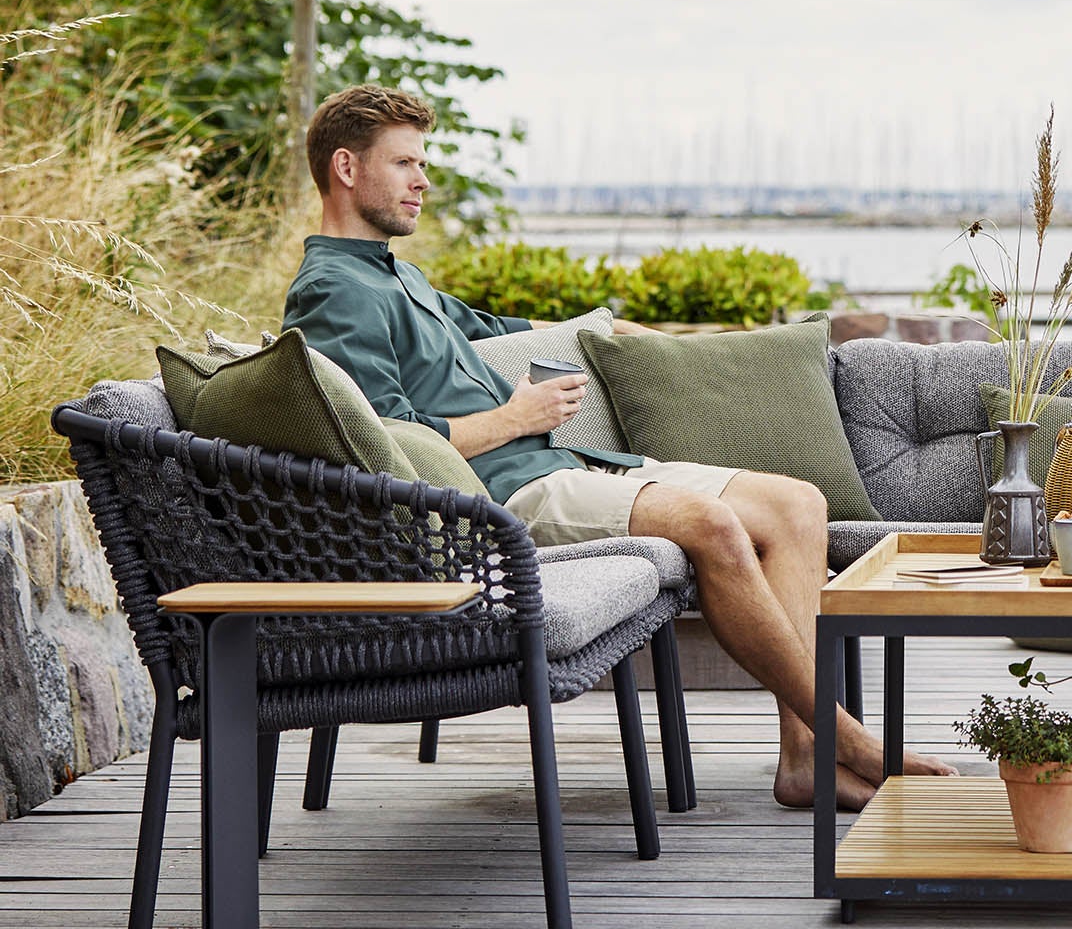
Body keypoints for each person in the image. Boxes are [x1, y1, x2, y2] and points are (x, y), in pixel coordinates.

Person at [282, 84, 951, 810]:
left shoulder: (394, 273)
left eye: (423, 164)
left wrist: (615, 332)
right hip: (504, 498)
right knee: (712, 524)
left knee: (797, 503)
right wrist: (517, 415)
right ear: (346, 169)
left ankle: (802, 758)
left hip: (561, 465)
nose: (424, 181)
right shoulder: (333, 290)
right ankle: (843, 733)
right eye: (406, 163)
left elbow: (495, 323)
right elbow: (383, 440)